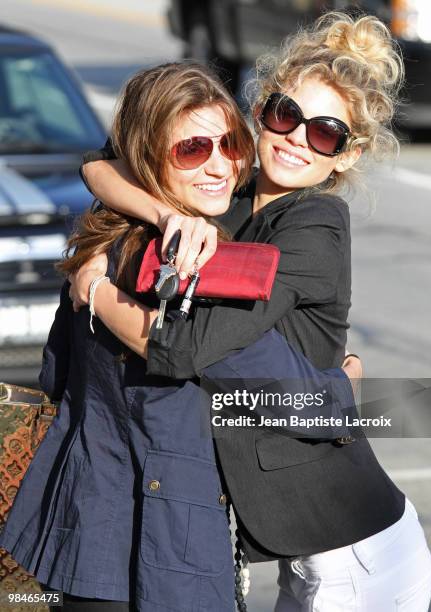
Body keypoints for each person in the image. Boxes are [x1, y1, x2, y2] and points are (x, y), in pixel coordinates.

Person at [73, 12, 431, 612]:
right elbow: (98, 164)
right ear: (263, 109)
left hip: (357, 553)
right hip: (308, 543)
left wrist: (93, 289)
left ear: (347, 156)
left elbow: (182, 348)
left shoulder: (314, 227)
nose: (297, 138)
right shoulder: (233, 184)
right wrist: (167, 216)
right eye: (287, 115)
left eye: (325, 134)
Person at [0, 62, 357, 612]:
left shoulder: (109, 231)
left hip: (80, 528)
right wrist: (342, 390)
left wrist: (99, 270)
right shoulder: (188, 267)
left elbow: (56, 370)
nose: (220, 167)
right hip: (165, 552)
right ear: (146, 159)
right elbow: (286, 393)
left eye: (230, 144)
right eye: (191, 150)